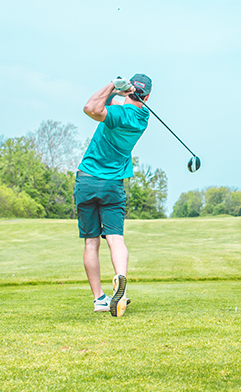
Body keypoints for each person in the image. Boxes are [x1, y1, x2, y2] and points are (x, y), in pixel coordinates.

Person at [76, 74, 152, 317]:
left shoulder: (117, 114)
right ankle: (120, 279)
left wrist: (113, 86)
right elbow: (106, 108)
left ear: (129, 90)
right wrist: (121, 94)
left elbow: (91, 107)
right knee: (115, 237)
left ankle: (99, 299)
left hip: (87, 180)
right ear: (147, 97)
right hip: (113, 186)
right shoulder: (142, 119)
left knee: (91, 241)